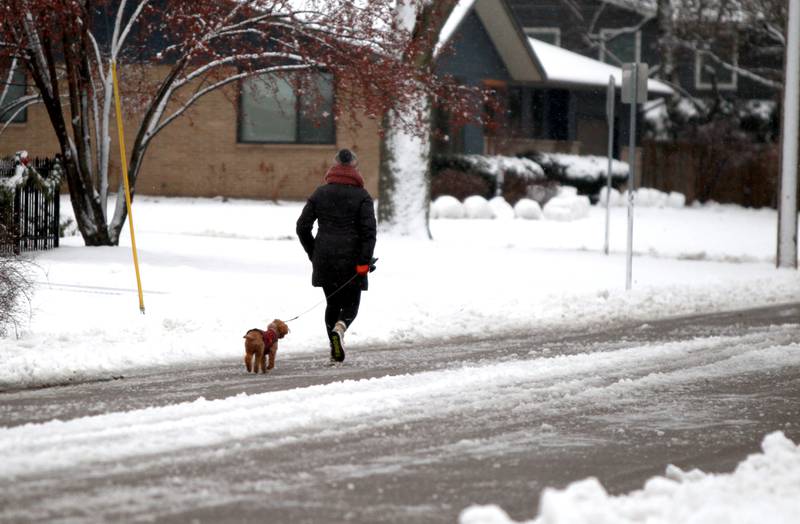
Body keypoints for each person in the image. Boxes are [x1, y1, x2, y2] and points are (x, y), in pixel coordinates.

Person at [296, 148, 377, 363]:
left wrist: (313, 252)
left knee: (332, 303)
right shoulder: (362, 196)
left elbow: (302, 227)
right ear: (354, 168)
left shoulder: (320, 193)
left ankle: (334, 346)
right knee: (352, 304)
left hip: (325, 258)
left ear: (333, 168)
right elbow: (369, 233)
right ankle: (340, 329)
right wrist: (364, 262)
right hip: (352, 260)